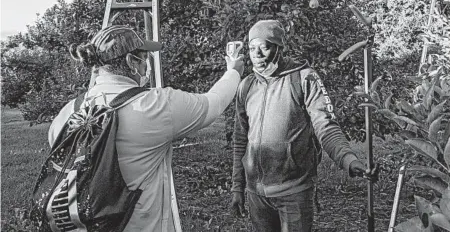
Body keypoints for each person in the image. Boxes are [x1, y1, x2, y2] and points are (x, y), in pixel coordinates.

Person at [48, 25, 244, 231]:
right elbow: (213, 104)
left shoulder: (69, 111)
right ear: (131, 61)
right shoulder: (155, 105)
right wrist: (233, 72)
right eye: (144, 57)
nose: (147, 64)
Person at [230, 20, 377, 232]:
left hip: (294, 192)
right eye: (252, 48)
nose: (257, 54)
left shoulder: (304, 78)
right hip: (257, 195)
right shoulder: (246, 86)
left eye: (265, 46)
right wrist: (238, 187)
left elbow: (326, 127)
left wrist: (349, 160)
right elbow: (240, 140)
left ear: (279, 48)